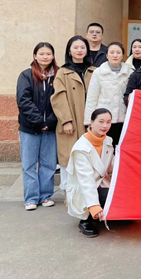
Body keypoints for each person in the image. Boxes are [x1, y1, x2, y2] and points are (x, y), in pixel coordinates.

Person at [16, 42, 59, 211]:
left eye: (48, 54)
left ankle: (45, 196)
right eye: (41, 53)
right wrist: (39, 121)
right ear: (35, 56)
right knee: (29, 164)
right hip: (30, 128)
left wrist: (50, 121)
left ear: (53, 56)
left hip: (51, 127)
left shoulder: (58, 75)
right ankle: (31, 198)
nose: (45, 57)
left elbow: (61, 100)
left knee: (49, 164)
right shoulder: (26, 75)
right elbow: (23, 100)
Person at [51, 36, 96, 189]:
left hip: (89, 121)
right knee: (68, 157)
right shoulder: (62, 72)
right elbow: (59, 97)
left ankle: (87, 192)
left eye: (82, 47)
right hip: (71, 121)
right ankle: (68, 192)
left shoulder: (94, 71)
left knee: (89, 157)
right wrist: (66, 120)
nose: (79, 50)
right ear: (69, 51)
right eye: (75, 47)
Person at [66, 108, 114, 238]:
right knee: (107, 196)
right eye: (101, 121)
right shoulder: (81, 148)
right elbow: (85, 181)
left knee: (124, 202)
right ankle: (85, 221)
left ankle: (103, 213)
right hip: (84, 189)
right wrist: (94, 206)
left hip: (102, 185)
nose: (105, 126)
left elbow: (112, 166)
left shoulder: (108, 141)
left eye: (108, 122)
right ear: (91, 123)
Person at [84, 42, 134, 148]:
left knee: (120, 149)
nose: (115, 55)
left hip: (123, 118)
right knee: (103, 149)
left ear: (123, 55)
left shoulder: (130, 73)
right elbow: (92, 98)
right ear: (107, 55)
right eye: (112, 52)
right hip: (103, 120)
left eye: (118, 52)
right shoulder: (98, 72)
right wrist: (89, 121)